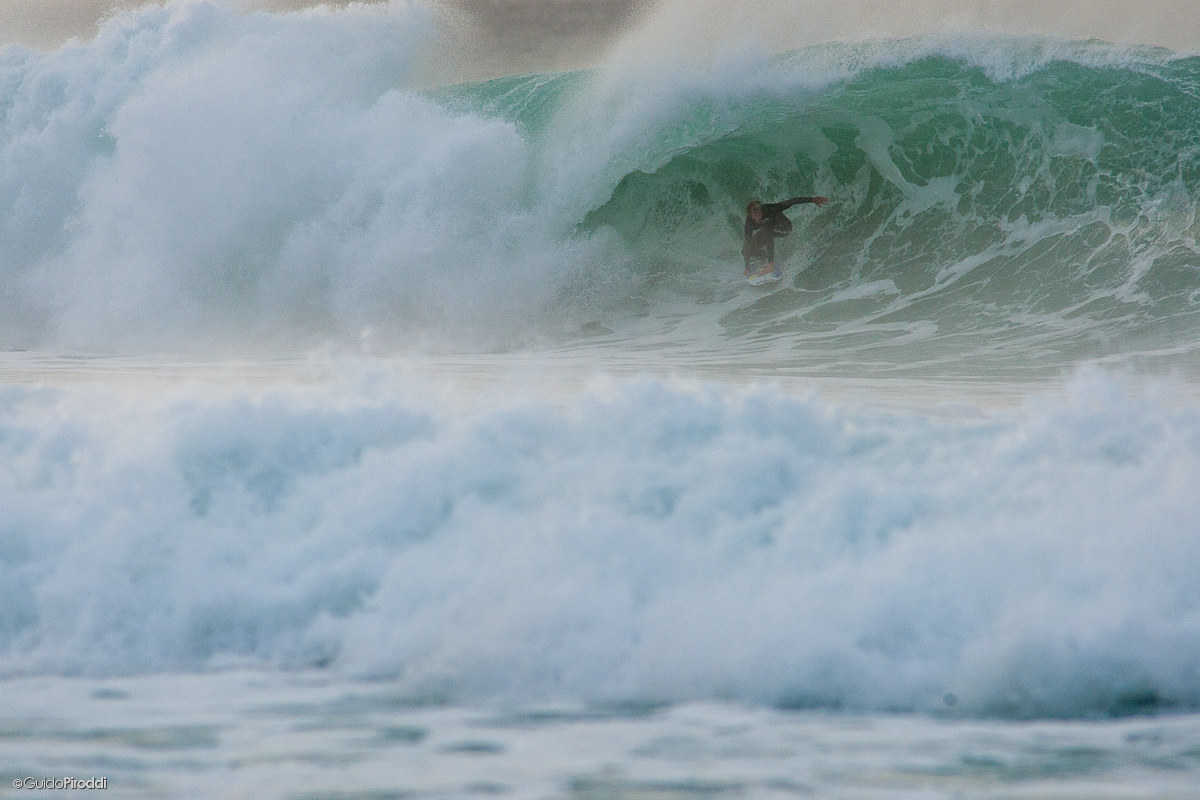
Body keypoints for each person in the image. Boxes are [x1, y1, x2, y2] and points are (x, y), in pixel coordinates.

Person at [743, 195, 829, 276]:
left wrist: (812, 199)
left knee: (766, 231)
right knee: (746, 249)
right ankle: (767, 256)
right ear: (750, 215)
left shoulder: (769, 208)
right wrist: (746, 267)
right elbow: (747, 243)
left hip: (785, 227)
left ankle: (770, 264)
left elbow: (792, 201)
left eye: (760, 213)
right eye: (755, 215)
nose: (758, 217)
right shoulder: (749, 223)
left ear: (761, 210)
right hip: (769, 230)